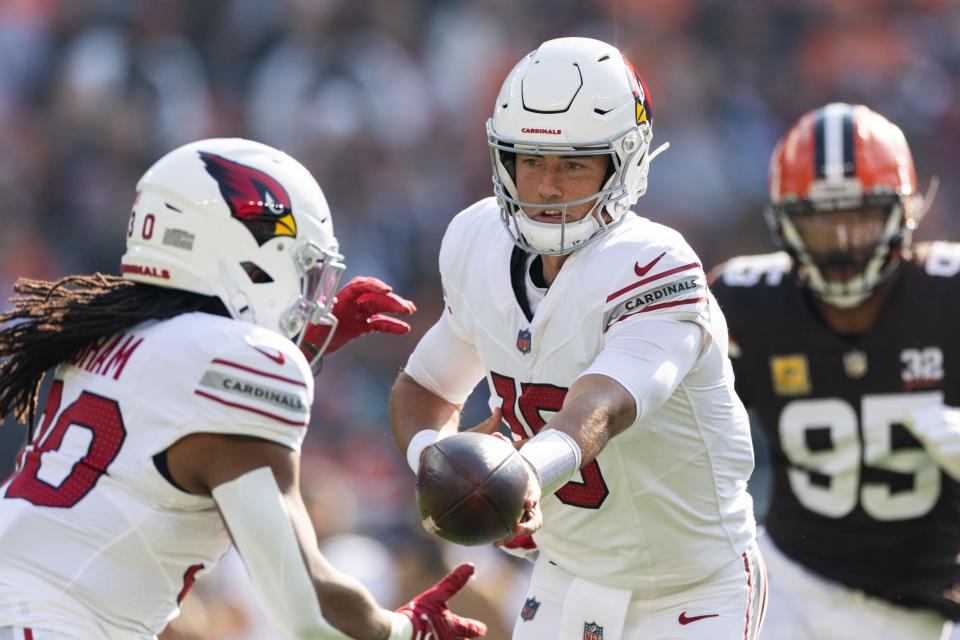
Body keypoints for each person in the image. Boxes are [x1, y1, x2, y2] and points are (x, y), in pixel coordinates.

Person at [0, 138, 486, 640]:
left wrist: (305, 349)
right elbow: (305, 607)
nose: (310, 296)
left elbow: (179, 402)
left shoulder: (105, 335)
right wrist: (407, 629)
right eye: (305, 270)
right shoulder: (245, 363)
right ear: (253, 257)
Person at [389, 37, 766, 640]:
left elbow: (601, 407)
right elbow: (425, 385)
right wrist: (439, 467)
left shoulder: (656, 263)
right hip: (566, 577)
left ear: (625, 163)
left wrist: (523, 476)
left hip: (690, 587)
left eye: (573, 164)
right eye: (529, 161)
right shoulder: (476, 240)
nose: (545, 188)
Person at [709, 103, 958, 640]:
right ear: (784, 221)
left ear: (904, 211)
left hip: (928, 605)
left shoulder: (950, 294)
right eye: (824, 225)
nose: (844, 244)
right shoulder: (747, 302)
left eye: (860, 218)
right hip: (793, 585)